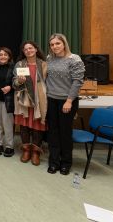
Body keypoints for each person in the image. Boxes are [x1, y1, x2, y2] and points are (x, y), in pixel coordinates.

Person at [46, 33, 84, 175]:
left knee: (65, 133)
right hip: (51, 100)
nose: (55, 46)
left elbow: (77, 81)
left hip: (67, 101)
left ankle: (66, 163)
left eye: (57, 43)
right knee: (53, 133)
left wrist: (69, 101)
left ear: (64, 44)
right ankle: (54, 162)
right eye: (52, 44)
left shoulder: (74, 59)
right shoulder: (49, 59)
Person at [13, 41, 48, 166]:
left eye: (30, 48)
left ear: (36, 49)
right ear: (23, 52)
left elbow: (48, 82)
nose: (28, 50)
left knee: (37, 125)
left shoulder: (44, 64)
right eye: (25, 49)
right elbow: (14, 83)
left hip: (40, 100)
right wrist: (19, 81)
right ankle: (26, 150)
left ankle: (36, 152)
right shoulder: (20, 64)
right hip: (24, 100)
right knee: (24, 125)